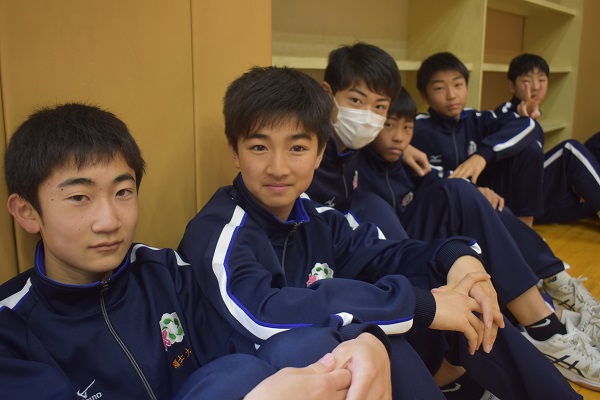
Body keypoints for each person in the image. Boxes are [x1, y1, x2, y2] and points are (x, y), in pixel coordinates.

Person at [178, 65, 582, 399]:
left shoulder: (321, 218)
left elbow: (391, 253)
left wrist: (457, 259)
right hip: (263, 378)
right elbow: (264, 315)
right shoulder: (218, 230)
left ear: (319, 153)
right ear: (234, 151)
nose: (278, 167)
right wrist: (419, 305)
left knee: (462, 299)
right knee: (372, 331)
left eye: (297, 148)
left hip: (332, 364)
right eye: (259, 147)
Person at [0, 102, 395, 400]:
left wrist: (362, 338)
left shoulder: (164, 271)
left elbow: (246, 343)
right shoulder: (11, 328)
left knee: (313, 350)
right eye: (79, 198)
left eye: (122, 192)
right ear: (27, 212)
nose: (109, 220)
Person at [350, 87, 600, 390]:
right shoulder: (355, 170)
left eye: (406, 128)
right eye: (388, 125)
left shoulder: (414, 159)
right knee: (461, 195)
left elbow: (524, 127)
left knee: (479, 198)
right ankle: (545, 322)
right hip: (397, 260)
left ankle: (552, 301)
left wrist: (477, 180)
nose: (399, 137)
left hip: (420, 245)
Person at [410, 52, 542, 228]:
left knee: (530, 149)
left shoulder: (479, 119)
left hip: (488, 197)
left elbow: (528, 125)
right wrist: (474, 190)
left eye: (458, 85)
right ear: (424, 95)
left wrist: (482, 155)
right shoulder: (416, 127)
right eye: (439, 88)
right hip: (445, 204)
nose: (451, 95)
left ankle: (525, 226)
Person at [495, 53, 600, 224]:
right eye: (527, 81)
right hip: (513, 199)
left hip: (535, 196)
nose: (535, 87)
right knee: (569, 150)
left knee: (587, 193)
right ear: (511, 86)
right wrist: (525, 122)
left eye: (541, 80)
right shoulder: (504, 113)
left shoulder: (532, 112)